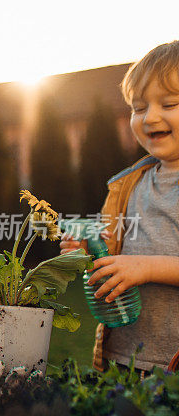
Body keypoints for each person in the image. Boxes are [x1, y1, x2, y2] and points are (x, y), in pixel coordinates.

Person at [61, 40, 179, 372]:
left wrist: (145, 268)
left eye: (169, 103)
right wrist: (83, 250)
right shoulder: (128, 184)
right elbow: (108, 248)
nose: (150, 116)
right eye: (139, 108)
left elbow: (137, 265)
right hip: (124, 358)